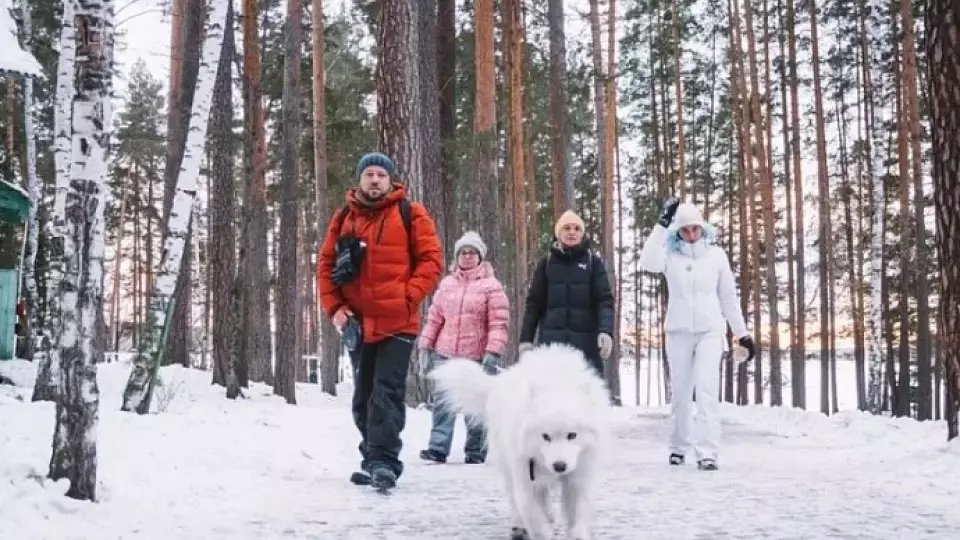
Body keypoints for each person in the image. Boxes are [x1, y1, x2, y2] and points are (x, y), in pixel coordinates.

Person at [317, 151, 443, 490]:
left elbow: (431, 261)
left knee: (385, 393)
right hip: (357, 325)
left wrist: (407, 298)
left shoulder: (411, 213)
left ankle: (385, 463)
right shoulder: (343, 217)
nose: (375, 180)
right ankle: (372, 458)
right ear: (360, 180)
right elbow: (326, 268)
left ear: (391, 180)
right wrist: (336, 310)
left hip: (398, 324)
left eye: (381, 175)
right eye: (369, 174)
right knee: (363, 397)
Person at [638, 198, 756, 471]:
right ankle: (679, 447)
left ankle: (707, 452)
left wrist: (742, 333)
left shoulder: (716, 256)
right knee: (680, 392)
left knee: (705, 390)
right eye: (684, 230)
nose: (690, 235)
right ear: (677, 232)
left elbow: (728, 297)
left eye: (694, 229)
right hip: (678, 331)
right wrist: (661, 225)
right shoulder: (669, 256)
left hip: (710, 331)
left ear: (703, 228)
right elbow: (647, 262)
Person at [417, 231, 509, 465]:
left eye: (472, 252)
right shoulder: (447, 284)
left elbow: (499, 322)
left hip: (475, 355)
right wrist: (425, 346)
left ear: (480, 257)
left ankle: (476, 450)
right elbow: (435, 317)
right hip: (445, 352)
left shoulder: (491, 286)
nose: (467, 256)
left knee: (474, 404)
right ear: (457, 256)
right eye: (463, 252)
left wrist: (493, 352)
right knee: (443, 403)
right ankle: (438, 448)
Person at [519, 210, 615, 378]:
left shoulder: (593, 262)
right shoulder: (546, 263)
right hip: (552, 347)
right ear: (558, 233)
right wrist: (526, 340)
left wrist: (606, 331)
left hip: (586, 349)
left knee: (586, 399)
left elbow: (605, 301)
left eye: (577, 228)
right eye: (567, 228)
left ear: (582, 234)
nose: (572, 232)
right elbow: (534, 304)